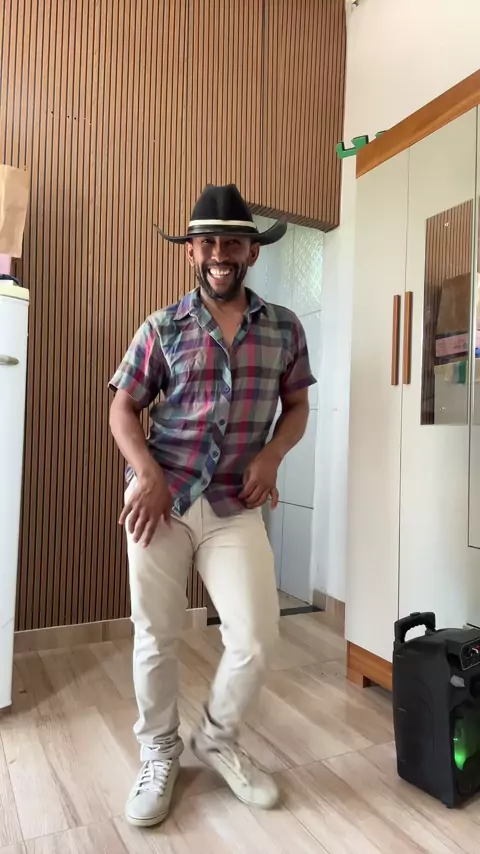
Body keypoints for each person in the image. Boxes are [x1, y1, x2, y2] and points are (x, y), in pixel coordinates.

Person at [109, 184, 316, 828]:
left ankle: (217, 739)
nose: (220, 254)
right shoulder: (162, 327)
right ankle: (159, 750)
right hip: (160, 502)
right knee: (156, 635)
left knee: (255, 634)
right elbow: (122, 407)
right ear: (191, 252)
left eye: (233, 242)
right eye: (208, 243)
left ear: (252, 252)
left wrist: (272, 456)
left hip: (235, 502)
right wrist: (147, 474)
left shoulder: (284, 327)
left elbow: (297, 406)